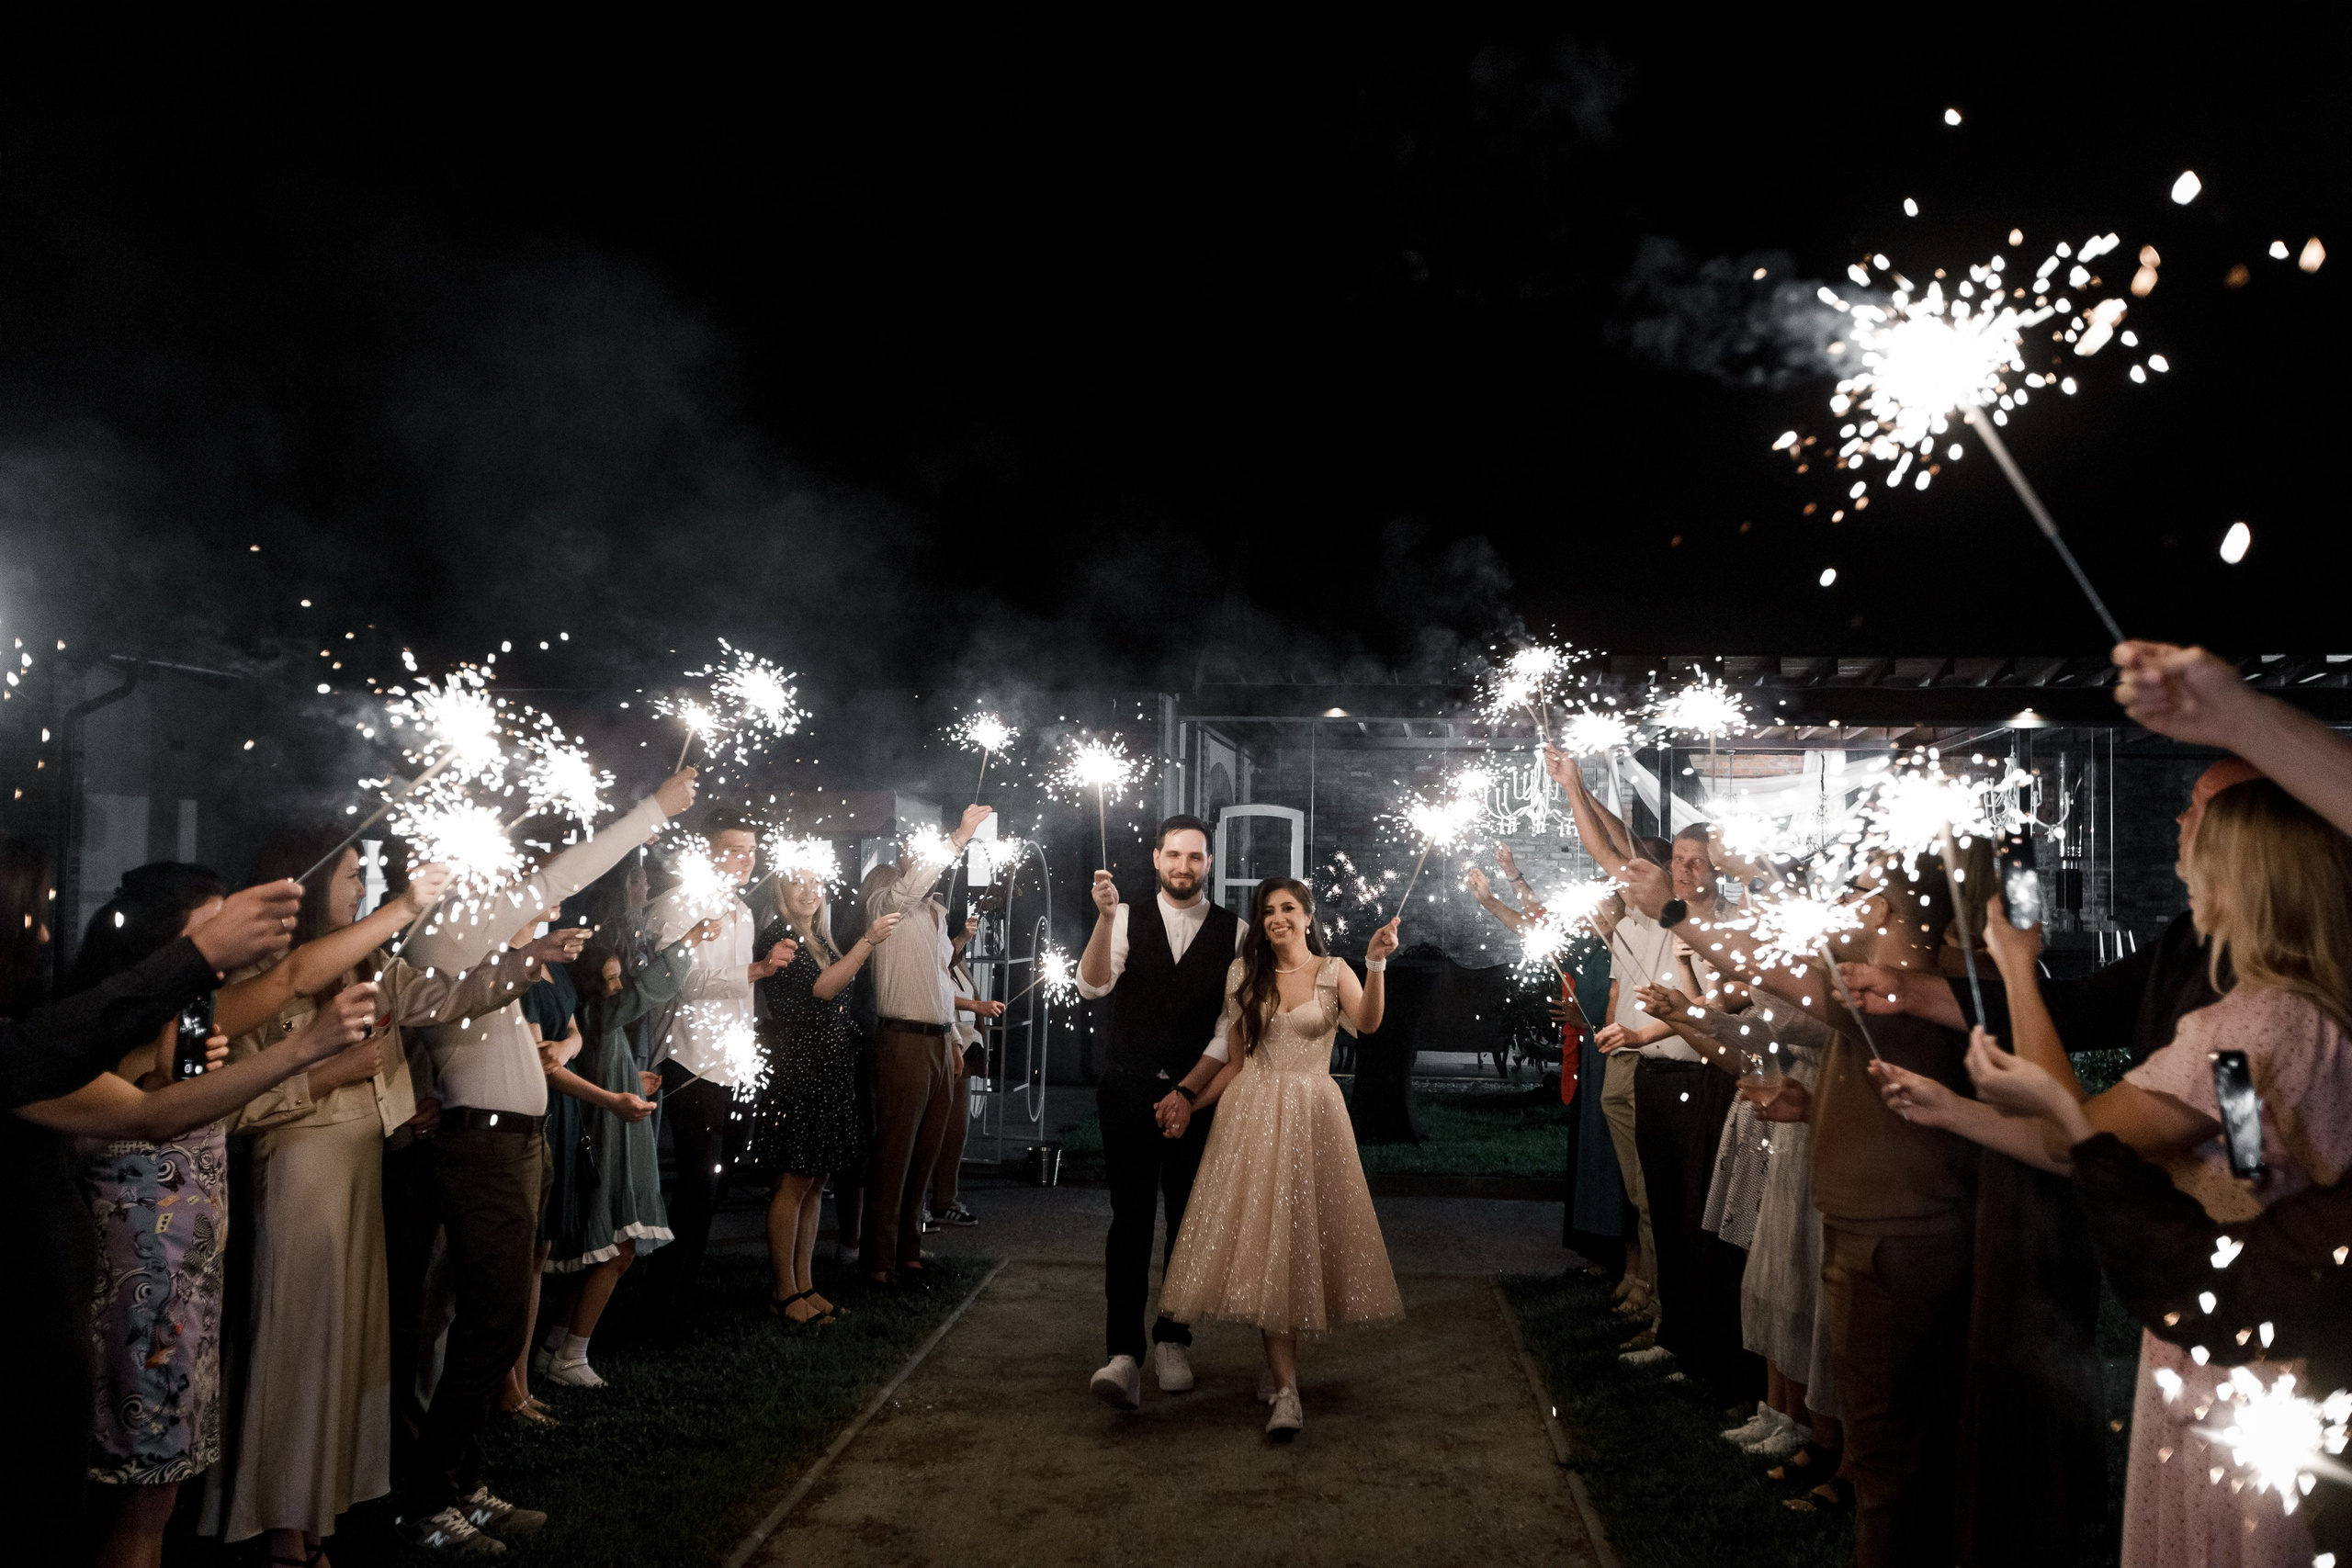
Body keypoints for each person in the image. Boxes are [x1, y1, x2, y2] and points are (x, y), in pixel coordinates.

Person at [1872, 777, 2352, 1568]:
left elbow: (2082, 1138)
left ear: (2249, 878)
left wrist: (2017, 968)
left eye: (2200, 859)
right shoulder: (2304, 1011)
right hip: (2285, 1316)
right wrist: (1952, 1111)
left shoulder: (2245, 1024)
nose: (2185, 877)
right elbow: (2249, 1155)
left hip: (2231, 1336)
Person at [2, 843, 363, 1567]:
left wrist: (407, 907)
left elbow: (280, 988)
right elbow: (148, 1115)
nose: (42, 931)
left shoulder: (190, 1017)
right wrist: (304, 1055)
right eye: (27, 917)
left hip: (176, 1287)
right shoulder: (72, 1039)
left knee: (148, 1501)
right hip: (127, 1296)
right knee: (129, 1503)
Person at [215, 840, 573, 1566]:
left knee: (346, 1355)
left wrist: (522, 961)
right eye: (352, 876)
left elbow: (446, 997)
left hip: (365, 1170)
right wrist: (329, 1075)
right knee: (297, 1350)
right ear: (312, 883)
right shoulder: (261, 978)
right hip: (302, 1176)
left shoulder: (370, 966)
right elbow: (232, 1106)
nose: (362, 887)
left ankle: (317, 1517)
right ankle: (282, 1527)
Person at [390, 766, 698, 1554]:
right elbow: (560, 875)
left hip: (515, 1143)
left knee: (490, 1323)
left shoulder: (483, 941)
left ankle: (462, 1484)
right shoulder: (441, 931)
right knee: (491, 1324)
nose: (500, 875)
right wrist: (651, 811)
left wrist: (534, 951)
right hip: (481, 1147)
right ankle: (429, 1499)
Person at [1158, 877, 1403, 1438]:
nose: (1277, 918)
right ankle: (1286, 1391)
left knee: (1297, 1238)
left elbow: (1368, 1023)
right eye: (1268, 910)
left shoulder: (1333, 971)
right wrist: (1189, 1104)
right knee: (1263, 1238)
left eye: (1288, 908)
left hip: (1313, 1117)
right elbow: (1237, 1062)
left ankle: (1278, 1372)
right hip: (1250, 1118)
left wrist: (1375, 964)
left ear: (1308, 916)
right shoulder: (1243, 974)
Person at [1551, 744, 1724, 1364]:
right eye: (1677, 860)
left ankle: (1683, 1327)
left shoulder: (1713, 924)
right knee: (1654, 1202)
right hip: (1652, 1073)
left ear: (1719, 869)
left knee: (1685, 1209)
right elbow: (1610, 850)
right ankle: (1667, 1319)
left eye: (1696, 861)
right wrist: (1574, 786)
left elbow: (1717, 1010)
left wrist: (1581, 787)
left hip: (1701, 1077)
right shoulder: (1656, 913)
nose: (1683, 870)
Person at [1073, 813, 1248, 1408]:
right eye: (1174, 854)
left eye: (1195, 856)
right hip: (1126, 1094)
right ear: (1156, 858)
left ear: (1209, 863)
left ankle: (1173, 1338)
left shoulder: (1235, 931)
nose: (1183, 866)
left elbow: (1229, 1029)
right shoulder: (1123, 917)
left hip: (1194, 1099)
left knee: (1186, 1221)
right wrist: (1104, 919)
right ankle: (1123, 1354)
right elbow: (1093, 985)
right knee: (1129, 1221)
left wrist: (1188, 1095)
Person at [535, 929, 714, 1387]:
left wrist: (632, 1077)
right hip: (610, 1139)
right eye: (609, 979)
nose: (618, 986)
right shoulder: (597, 1013)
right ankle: (572, 1355)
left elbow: (601, 1065)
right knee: (619, 1246)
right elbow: (647, 990)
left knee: (599, 1250)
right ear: (590, 984)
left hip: (614, 1130)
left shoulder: (595, 1023)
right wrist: (689, 941)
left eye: (618, 977)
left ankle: (555, 1345)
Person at [641, 813, 796, 1320]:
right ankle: (665, 1302)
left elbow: (742, 997)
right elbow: (676, 982)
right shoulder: (676, 904)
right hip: (690, 1059)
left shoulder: (743, 911)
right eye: (734, 849)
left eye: (751, 850)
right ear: (706, 852)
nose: (746, 860)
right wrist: (755, 969)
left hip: (734, 1062)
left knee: (719, 1180)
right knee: (697, 1184)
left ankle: (684, 1287)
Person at [751, 866, 898, 1321]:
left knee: (816, 1181)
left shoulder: (818, 936)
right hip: (800, 1070)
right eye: (798, 882)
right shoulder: (780, 937)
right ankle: (784, 1291)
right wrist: (868, 941)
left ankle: (805, 1284)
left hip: (829, 1068)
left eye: (816, 882)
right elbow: (823, 988)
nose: (810, 891)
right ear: (780, 888)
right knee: (795, 1180)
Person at [861, 805, 991, 1288]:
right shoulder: (885, 900)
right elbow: (912, 884)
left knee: (925, 1156)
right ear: (901, 857)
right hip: (902, 1041)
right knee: (895, 1154)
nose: (924, 858)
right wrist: (957, 837)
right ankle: (878, 1262)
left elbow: (940, 982)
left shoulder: (935, 913)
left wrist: (954, 1040)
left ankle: (910, 1254)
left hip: (938, 1043)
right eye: (916, 849)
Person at [931, 914, 1002, 1231]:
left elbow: (952, 961)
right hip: (944, 1048)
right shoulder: (931, 959)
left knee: (955, 1131)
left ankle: (945, 1200)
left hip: (965, 1048)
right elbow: (939, 994)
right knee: (932, 1132)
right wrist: (977, 1007)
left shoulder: (957, 962)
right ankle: (917, 1206)